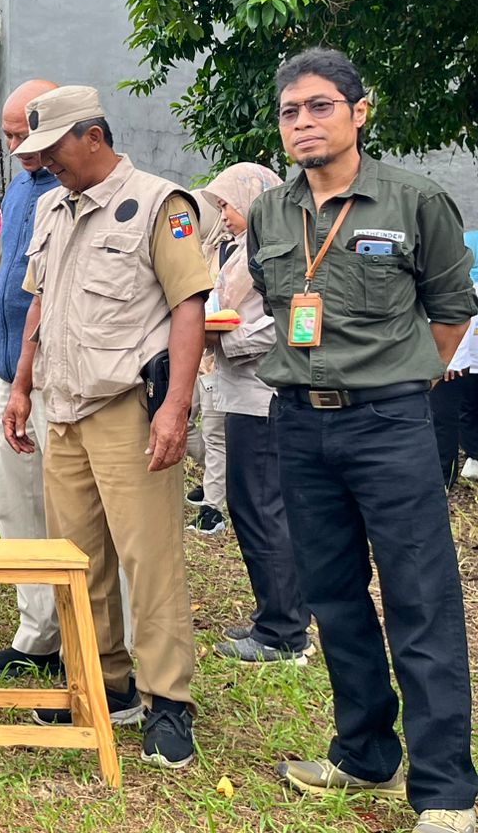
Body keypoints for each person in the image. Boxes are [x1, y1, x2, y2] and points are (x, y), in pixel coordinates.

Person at [247, 48, 478, 832]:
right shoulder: (270, 213)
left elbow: (451, 310)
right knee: (335, 596)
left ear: (358, 111)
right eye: (289, 112)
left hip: (391, 424)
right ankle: (363, 755)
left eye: (319, 106)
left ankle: (447, 791)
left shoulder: (414, 201)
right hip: (300, 422)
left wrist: (397, 380)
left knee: (421, 598)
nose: (303, 123)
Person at [3, 84, 211, 770]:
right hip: (62, 408)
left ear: (92, 134)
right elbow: (39, 303)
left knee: (147, 559)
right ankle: (104, 680)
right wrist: (23, 386)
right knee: (76, 559)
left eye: (53, 147)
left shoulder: (161, 204)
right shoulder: (52, 209)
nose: (45, 162)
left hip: (126, 406)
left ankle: (167, 699)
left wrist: (176, 407)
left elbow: (189, 306)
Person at [197, 162, 309, 664]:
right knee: (249, 507)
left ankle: (284, 630)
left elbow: (282, 324)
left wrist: (229, 338)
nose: (224, 214)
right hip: (239, 390)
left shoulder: (277, 250)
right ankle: (275, 616)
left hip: (263, 393)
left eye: (229, 204)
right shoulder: (241, 249)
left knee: (262, 510)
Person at [0, 78, 63, 675]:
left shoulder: (75, 188)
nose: (17, 146)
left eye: (26, 133)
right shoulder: (18, 188)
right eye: (9, 135)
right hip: (8, 378)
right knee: (17, 511)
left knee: (69, 513)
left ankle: (91, 636)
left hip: (57, 381)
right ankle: (37, 633)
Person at [184, 189, 230, 535]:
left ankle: (214, 505)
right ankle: (220, 477)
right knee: (182, 420)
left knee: (215, 432)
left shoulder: (234, 252)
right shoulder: (204, 249)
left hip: (218, 354)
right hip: (195, 353)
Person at [433, 231, 478, 487]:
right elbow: (453, 311)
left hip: (457, 354)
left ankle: (448, 474)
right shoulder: (464, 243)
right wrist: (450, 359)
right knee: (452, 412)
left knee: (454, 411)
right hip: (458, 355)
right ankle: (445, 476)